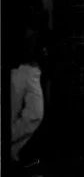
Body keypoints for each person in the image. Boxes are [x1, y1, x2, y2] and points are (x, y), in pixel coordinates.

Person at [10, 33, 44, 166]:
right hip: (16, 66)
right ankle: (10, 154)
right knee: (11, 113)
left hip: (30, 67)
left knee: (35, 114)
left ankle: (10, 150)